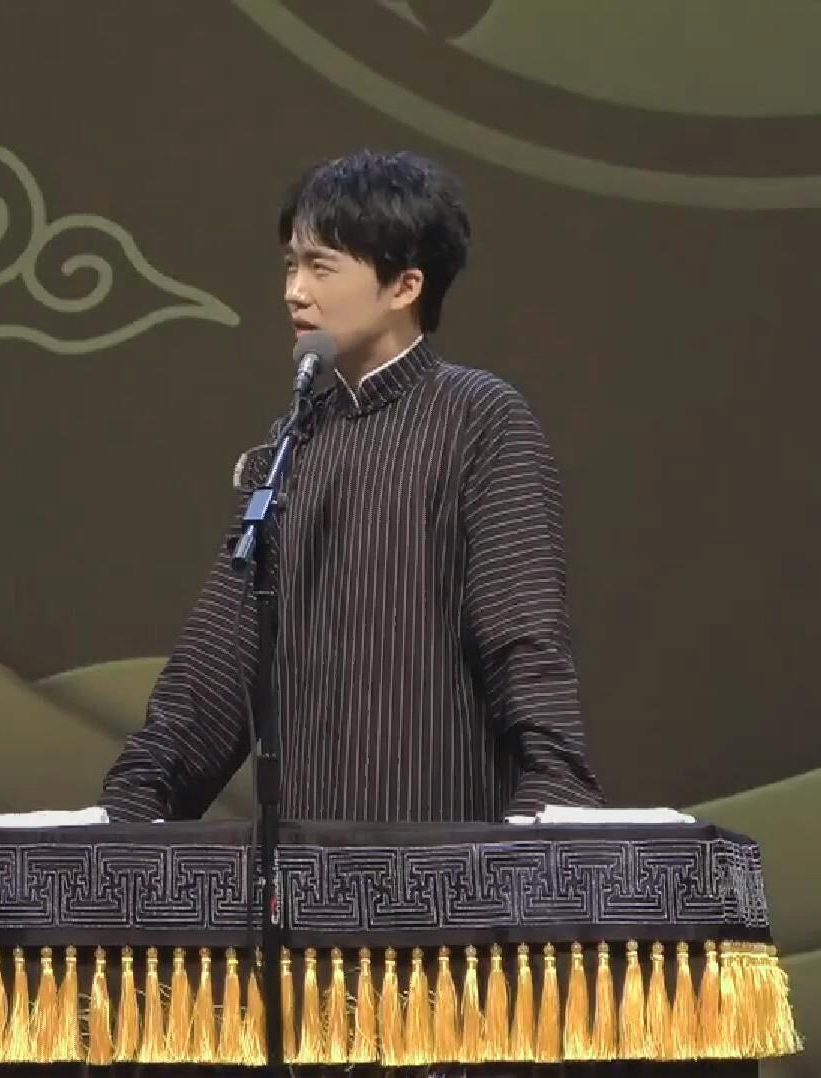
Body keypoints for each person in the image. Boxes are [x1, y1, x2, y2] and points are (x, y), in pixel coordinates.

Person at [100, 149, 602, 831]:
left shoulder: (479, 416)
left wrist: (552, 802)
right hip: (300, 865)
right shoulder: (293, 440)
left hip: (441, 849)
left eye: (321, 266)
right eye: (290, 265)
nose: (294, 291)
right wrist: (132, 807)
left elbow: (523, 635)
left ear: (405, 286)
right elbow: (219, 661)